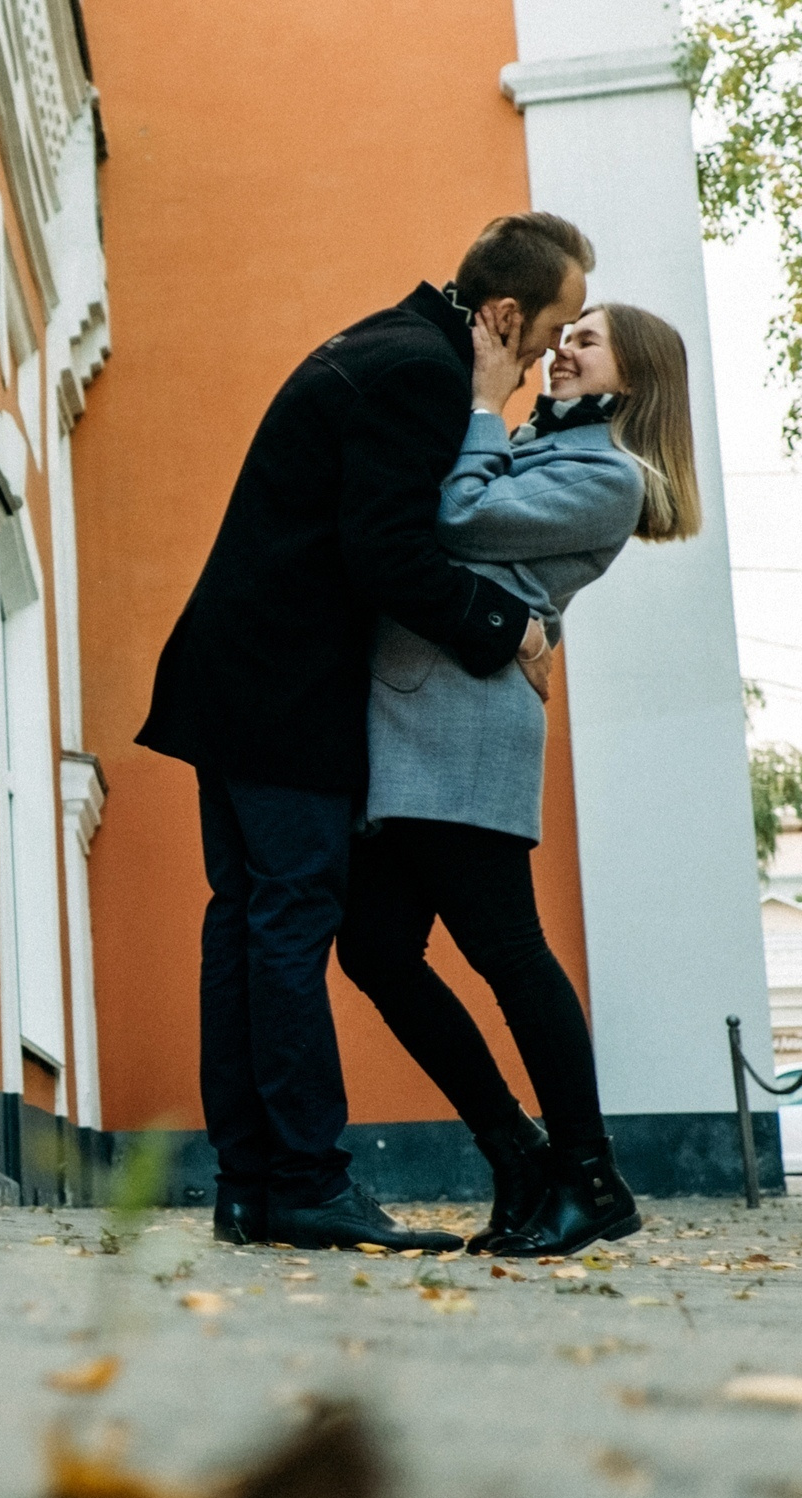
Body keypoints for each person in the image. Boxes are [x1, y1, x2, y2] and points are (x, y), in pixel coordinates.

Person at [138, 212, 594, 1251]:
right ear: (505, 313)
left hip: (240, 677)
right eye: (543, 335)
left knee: (249, 924)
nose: (536, 368)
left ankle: (252, 1184)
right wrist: (507, 624)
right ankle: (302, 1179)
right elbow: (387, 552)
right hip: (284, 690)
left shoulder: (386, 343)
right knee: (287, 924)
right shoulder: (417, 376)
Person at [339, 303, 701, 1258]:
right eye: (566, 332)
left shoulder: (607, 474)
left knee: (507, 949)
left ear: (635, 375)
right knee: (375, 950)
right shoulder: (549, 445)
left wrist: (479, 402)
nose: (563, 349)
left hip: (463, 727)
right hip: (420, 719)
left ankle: (590, 1174)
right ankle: (516, 1150)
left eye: (588, 339)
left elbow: (460, 517)